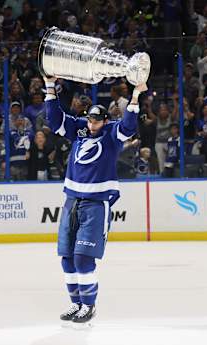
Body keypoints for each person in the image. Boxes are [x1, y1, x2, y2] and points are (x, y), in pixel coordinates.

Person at [44, 75, 147, 326]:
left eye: (98, 119)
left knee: (82, 258)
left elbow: (129, 127)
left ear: (105, 120)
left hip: (95, 204)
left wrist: (135, 96)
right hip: (72, 201)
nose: (93, 124)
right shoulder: (79, 130)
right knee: (67, 257)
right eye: (90, 119)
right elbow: (54, 119)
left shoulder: (112, 134)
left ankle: (89, 306)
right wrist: (49, 86)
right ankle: (75, 303)